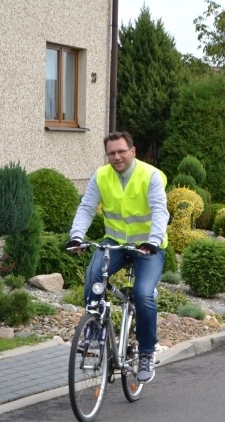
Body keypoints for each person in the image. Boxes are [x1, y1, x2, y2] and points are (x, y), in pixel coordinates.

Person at [66, 132, 168, 383]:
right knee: (93, 276)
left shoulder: (150, 175)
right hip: (115, 243)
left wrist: (153, 241)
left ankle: (145, 352)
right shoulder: (101, 176)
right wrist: (77, 236)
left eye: (121, 151)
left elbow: (159, 211)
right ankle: (92, 332)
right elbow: (87, 207)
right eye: (111, 153)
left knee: (143, 294)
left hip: (147, 247)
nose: (117, 156)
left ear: (133, 151)